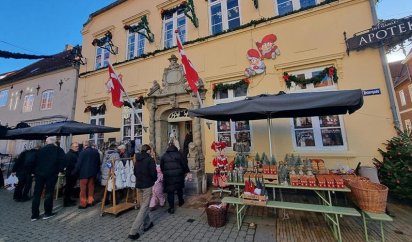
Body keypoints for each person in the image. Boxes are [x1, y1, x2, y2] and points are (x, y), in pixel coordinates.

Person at [31, 136, 66, 221]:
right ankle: (47, 213)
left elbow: (32, 161)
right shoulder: (58, 150)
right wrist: (60, 170)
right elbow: (63, 161)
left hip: (39, 174)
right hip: (51, 174)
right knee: (49, 193)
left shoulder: (40, 150)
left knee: (37, 194)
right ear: (55, 142)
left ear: (47, 142)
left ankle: (34, 215)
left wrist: (34, 171)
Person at [128, 144, 157, 240]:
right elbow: (153, 173)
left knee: (143, 206)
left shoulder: (137, 159)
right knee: (144, 207)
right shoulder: (150, 159)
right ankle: (133, 232)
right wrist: (153, 180)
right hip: (147, 185)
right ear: (148, 151)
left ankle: (147, 223)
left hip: (139, 185)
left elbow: (135, 172)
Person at [160, 143, 190, 214]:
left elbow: (161, 166)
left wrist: (165, 172)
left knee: (170, 192)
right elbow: (184, 164)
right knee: (179, 189)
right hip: (178, 175)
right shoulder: (179, 154)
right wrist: (186, 171)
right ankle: (181, 201)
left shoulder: (164, 156)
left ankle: (171, 208)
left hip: (168, 177)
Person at [73, 141, 101, 209]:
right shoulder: (96, 152)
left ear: (84, 145)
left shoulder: (82, 152)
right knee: (91, 188)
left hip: (84, 174)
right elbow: (98, 162)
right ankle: (90, 201)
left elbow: (79, 164)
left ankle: (83, 204)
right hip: (92, 173)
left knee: (83, 189)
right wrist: (96, 171)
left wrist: (74, 172)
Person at [63, 142, 79, 207]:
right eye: (75, 146)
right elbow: (69, 165)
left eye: (77, 146)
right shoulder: (69, 154)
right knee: (68, 188)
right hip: (70, 174)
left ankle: (69, 199)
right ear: (71, 147)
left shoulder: (75, 153)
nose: (77, 147)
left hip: (73, 174)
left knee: (70, 188)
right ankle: (66, 202)